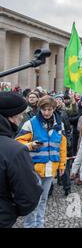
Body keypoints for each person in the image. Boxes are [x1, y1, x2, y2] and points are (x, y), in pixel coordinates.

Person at [16, 96, 67, 228]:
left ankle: (39, 224)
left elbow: (62, 146)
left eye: (49, 109)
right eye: (44, 109)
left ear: (54, 109)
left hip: (51, 168)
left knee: (43, 200)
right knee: (33, 200)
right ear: (40, 109)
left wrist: (62, 165)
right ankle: (29, 226)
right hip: (34, 169)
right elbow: (18, 142)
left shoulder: (59, 124)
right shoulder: (30, 123)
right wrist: (31, 144)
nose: (46, 112)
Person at [0, 92, 42, 228]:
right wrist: (10, 211)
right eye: (21, 114)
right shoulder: (15, 150)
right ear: (11, 117)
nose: (22, 117)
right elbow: (28, 196)